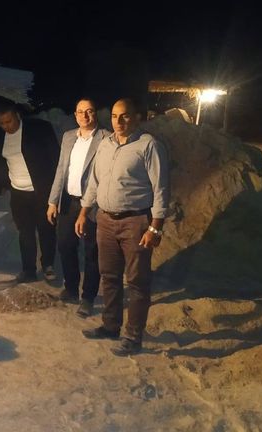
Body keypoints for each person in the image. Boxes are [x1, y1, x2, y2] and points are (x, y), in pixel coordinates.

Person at [76, 98, 170, 356]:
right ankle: (110, 325)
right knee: (109, 276)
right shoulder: (105, 145)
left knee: (137, 282)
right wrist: (84, 212)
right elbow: (94, 182)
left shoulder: (148, 146)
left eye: (125, 116)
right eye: (114, 116)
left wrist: (155, 228)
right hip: (105, 220)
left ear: (137, 118)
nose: (118, 121)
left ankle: (133, 336)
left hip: (135, 222)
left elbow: (161, 189)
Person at [0, 103, 60, 283]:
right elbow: (1, 163)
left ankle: (48, 265)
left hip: (41, 190)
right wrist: (0, 185)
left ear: (18, 115)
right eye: (2, 123)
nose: (6, 126)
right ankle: (28, 270)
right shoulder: (0, 137)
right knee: (25, 232)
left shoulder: (39, 130)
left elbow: (55, 158)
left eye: (9, 121)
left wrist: (56, 190)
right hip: (19, 194)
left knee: (46, 229)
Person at [47, 98, 107, 313]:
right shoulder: (68, 137)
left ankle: (88, 297)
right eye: (81, 112)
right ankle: (71, 288)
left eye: (89, 111)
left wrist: (89, 206)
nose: (85, 116)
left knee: (92, 251)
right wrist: (52, 201)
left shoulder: (105, 138)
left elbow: (102, 176)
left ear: (95, 113)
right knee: (65, 245)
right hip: (68, 201)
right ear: (75, 115)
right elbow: (61, 169)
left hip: (92, 205)